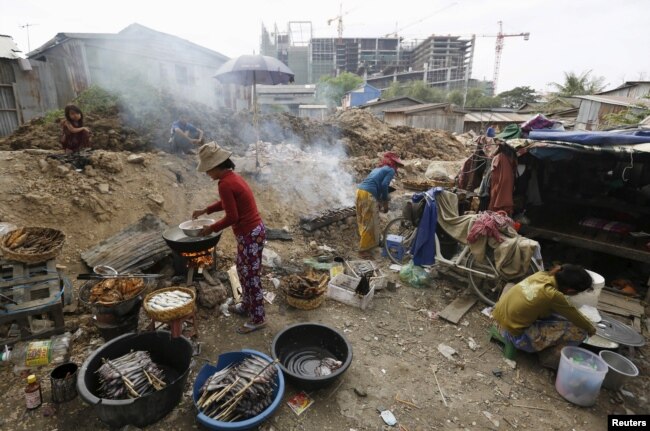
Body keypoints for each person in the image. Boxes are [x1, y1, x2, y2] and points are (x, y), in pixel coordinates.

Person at [192, 142, 266, 334]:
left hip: (250, 234)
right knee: (243, 270)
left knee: (250, 276)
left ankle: (258, 318)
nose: (207, 174)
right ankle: (247, 305)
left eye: (208, 170)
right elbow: (227, 203)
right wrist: (206, 210)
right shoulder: (231, 178)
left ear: (216, 167)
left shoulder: (225, 183)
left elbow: (233, 217)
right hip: (253, 232)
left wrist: (211, 228)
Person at [492, 264, 596, 367]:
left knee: (557, 314)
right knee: (580, 331)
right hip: (515, 336)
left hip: (498, 318)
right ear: (570, 291)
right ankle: (549, 358)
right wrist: (591, 328)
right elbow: (574, 315)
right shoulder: (553, 295)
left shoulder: (542, 275)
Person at [356, 151, 404, 257]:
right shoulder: (390, 170)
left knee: (363, 219)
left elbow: (374, 183)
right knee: (369, 223)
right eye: (396, 165)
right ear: (392, 163)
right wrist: (385, 202)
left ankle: (368, 243)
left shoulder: (377, 169)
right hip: (368, 194)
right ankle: (363, 250)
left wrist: (377, 200)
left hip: (360, 191)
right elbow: (384, 185)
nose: (397, 168)